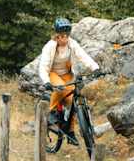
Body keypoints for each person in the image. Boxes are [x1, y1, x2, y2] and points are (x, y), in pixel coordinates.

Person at [37, 17, 99, 145]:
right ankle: (51, 113)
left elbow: (83, 56)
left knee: (72, 102)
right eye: (61, 36)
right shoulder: (49, 46)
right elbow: (43, 66)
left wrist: (95, 68)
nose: (64, 39)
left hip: (67, 74)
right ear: (56, 36)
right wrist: (46, 81)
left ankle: (70, 131)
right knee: (60, 88)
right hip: (53, 73)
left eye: (66, 36)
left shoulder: (72, 43)